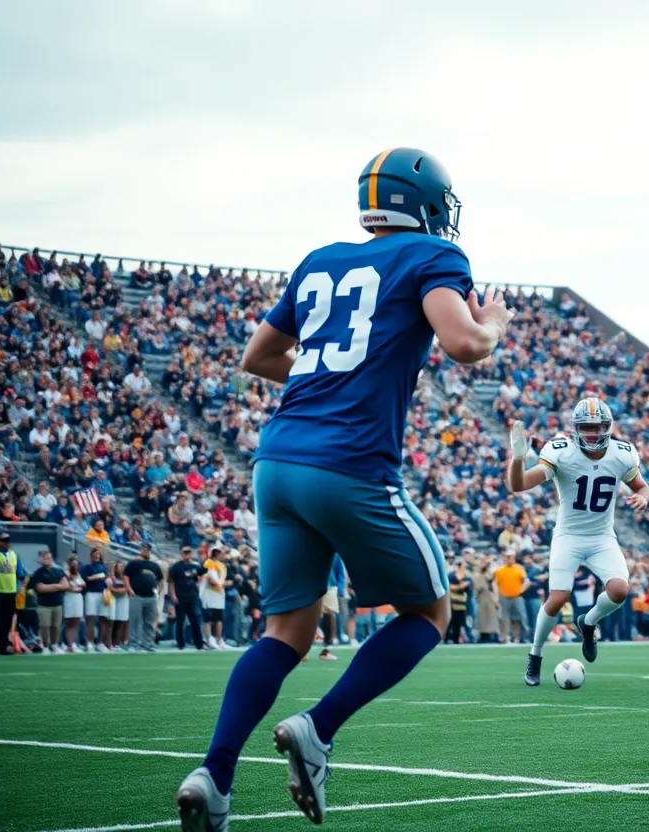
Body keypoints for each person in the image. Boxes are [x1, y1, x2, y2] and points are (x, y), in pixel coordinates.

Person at [178, 147, 514, 831]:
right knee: (428, 614)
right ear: (423, 204)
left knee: (286, 632)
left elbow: (257, 356)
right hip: (350, 462)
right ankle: (319, 727)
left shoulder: (319, 260)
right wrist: (495, 328)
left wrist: (335, 373)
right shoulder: (433, 256)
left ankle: (213, 776)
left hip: (277, 462)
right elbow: (462, 344)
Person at [508, 397, 649, 686]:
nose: (592, 434)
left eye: (597, 427)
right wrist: (518, 459)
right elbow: (518, 485)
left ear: (607, 428)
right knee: (558, 597)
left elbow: (643, 486)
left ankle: (588, 622)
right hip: (569, 536)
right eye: (586, 427)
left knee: (620, 589)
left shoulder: (622, 454)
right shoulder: (562, 452)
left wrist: (643, 498)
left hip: (602, 536)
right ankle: (535, 655)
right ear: (575, 429)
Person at [125, 543, 164, 651]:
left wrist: (158, 592)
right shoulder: (133, 564)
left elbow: (161, 580)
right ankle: (133, 643)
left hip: (151, 596)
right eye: (143, 548)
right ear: (140, 550)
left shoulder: (154, 565)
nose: (145, 551)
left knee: (149, 622)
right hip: (136, 595)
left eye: (147, 549)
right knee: (134, 621)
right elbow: (126, 576)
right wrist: (129, 589)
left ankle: (148, 643)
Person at [29, 549, 69, 653]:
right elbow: (40, 588)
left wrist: (50, 587)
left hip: (57, 603)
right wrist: (57, 586)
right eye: (45, 558)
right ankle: (45, 646)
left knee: (56, 626)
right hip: (44, 604)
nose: (47, 560)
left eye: (49, 558)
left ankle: (54, 645)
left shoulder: (59, 571)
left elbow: (66, 585)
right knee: (44, 626)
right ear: (41, 559)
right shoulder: (38, 573)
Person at [169, 547, 207, 651]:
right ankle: (180, 644)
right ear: (181, 554)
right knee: (180, 621)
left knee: (195, 621)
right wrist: (173, 595)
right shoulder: (176, 567)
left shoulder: (194, 566)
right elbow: (171, 582)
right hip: (180, 596)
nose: (186, 554)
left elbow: (202, 572)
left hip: (192, 597)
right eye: (185, 552)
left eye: (188, 552)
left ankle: (199, 644)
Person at [80, 548, 113, 652]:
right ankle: (89, 642)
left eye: (99, 554)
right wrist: (98, 577)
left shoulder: (103, 567)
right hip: (91, 594)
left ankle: (100, 643)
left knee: (103, 618)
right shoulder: (87, 567)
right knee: (91, 618)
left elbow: (106, 579)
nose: (97, 556)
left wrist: (107, 581)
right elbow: (85, 579)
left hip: (102, 593)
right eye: (95, 554)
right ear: (91, 555)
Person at [494, 550, 530, 645]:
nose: (509, 559)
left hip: (516, 597)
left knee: (517, 618)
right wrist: (497, 598)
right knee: (504, 619)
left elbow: (526, 581)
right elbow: (496, 585)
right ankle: (505, 637)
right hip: (504, 596)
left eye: (511, 557)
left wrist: (521, 590)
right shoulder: (500, 570)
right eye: (507, 557)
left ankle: (517, 638)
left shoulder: (519, 569)